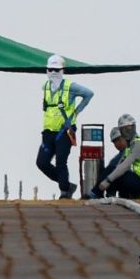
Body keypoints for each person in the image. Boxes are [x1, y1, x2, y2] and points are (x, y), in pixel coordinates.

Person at [35, 54, 94, 199]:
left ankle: (64, 192)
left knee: (61, 161)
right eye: (50, 70)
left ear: (62, 70)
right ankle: (67, 185)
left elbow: (89, 94)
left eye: (56, 70)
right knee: (41, 162)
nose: (53, 73)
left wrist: (76, 112)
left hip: (64, 131)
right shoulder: (46, 87)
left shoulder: (70, 87)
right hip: (48, 131)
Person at [96, 114, 140, 199]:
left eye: (129, 128)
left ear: (134, 127)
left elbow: (125, 165)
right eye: (123, 130)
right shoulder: (129, 147)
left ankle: (96, 193)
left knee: (116, 173)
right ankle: (106, 195)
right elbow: (118, 166)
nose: (126, 132)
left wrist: (108, 180)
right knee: (112, 169)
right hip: (135, 180)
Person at [84, 126, 127, 199]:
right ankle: (109, 194)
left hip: (137, 182)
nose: (117, 144)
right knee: (106, 168)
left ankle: (96, 193)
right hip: (126, 182)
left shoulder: (132, 150)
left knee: (112, 169)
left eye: (119, 140)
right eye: (115, 142)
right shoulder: (119, 156)